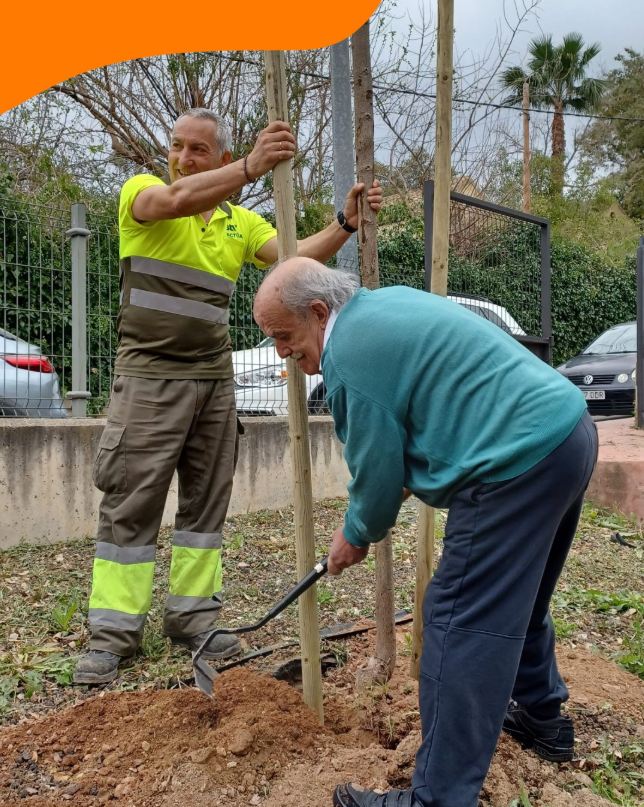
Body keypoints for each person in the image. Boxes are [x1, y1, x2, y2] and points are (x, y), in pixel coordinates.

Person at [253, 258, 598, 807]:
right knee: (518, 600)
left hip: (511, 464)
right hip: (565, 433)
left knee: (459, 623)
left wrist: (355, 533)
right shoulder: (381, 307)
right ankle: (542, 720)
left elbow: (377, 472)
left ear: (318, 312)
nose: (280, 352)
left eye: (282, 335)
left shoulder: (349, 356)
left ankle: (437, 798)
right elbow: (415, 427)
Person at [73, 109, 382, 685]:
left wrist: (345, 222)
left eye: (198, 150)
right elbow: (173, 200)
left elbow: (294, 259)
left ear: (218, 156)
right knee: (131, 501)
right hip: (148, 377)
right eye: (177, 147)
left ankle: (193, 621)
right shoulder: (143, 194)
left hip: (213, 380)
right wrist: (249, 168)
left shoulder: (240, 224)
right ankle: (112, 634)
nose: (183, 159)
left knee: (205, 503)